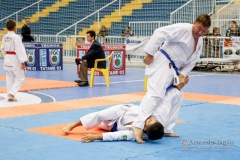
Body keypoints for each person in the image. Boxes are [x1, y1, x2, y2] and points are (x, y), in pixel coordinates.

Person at [131, 14, 211, 143]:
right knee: (155, 95)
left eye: (204, 30)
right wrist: (150, 53)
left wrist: (182, 74)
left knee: (176, 95)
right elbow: (159, 32)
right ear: (194, 22)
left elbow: (194, 59)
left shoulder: (200, 40)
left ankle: (167, 128)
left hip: (174, 69)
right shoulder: (183, 28)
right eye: (199, 28)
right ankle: (138, 125)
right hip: (163, 62)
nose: (201, 32)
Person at [62, 77, 189, 143]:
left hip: (113, 125)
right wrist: (179, 87)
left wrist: (95, 137)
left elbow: (115, 136)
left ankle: (91, 124)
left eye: (149, 121)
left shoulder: (134, 135)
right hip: (123, 110)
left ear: (144, 129)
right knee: (100, 114)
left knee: (101, 122)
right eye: (152, 119)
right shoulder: (157, 118)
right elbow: (166, 103)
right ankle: (73, 125)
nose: (150, 118)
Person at [1, 19, 28, 102]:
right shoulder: (16, 37)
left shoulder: (5, 37)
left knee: (9, 77)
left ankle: (10, 95)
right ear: (14, 27)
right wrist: (22, 62)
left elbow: (2, 48)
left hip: (7, 57)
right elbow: (19, 50)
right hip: (14, 58)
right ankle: (12, 93)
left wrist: (6, 56)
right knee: (20, 77)